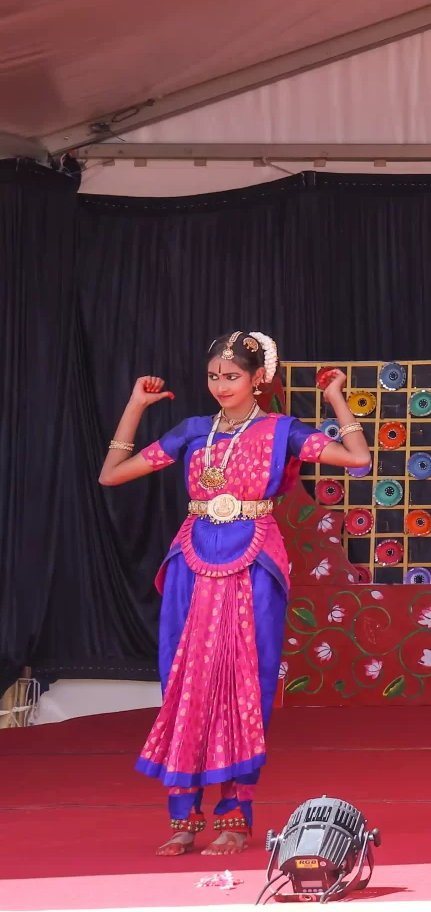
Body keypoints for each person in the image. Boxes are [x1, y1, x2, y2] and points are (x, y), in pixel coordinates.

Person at [100, 332, 371, 855]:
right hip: (192, 559)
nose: (221, 386)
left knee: (246, 681)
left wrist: (335, 396)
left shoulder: (281, 431)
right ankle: (184, 818)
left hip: (254, 559)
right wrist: (135, 405)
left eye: (232, 376)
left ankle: (235, 816)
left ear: (258, 378)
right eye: (213, 377)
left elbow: (357, 458)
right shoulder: (191, 431)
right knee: (185, 680)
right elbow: (111, 475)